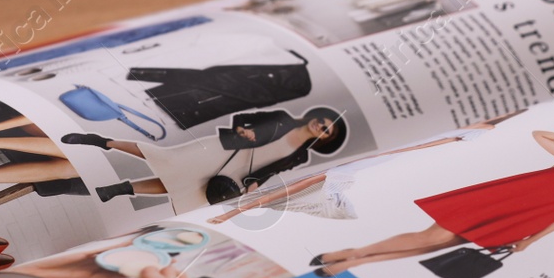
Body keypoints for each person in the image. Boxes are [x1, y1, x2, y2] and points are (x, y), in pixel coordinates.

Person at [313, 130, 554, 275]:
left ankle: (349, 264)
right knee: (430, 237)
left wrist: (530, 240)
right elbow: (541, 134)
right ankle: (350, 254)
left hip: (523, 221)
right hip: (494, 202)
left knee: (438, 246)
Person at [206, 112, 523, 224]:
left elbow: (433, 144)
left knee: (317, 179)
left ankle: (239, 207)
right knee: (316, 176)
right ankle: (246, 199)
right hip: (385, 143)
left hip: (391, 150)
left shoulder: (484, 129)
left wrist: (405, 149)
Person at [61, 107, 346, 208]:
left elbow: (269, 171)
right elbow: (245, 117)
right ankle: (101, 141)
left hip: (238, 172)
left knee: (184, 186)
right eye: (322, 120)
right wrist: (244, 130)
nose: (320, 125)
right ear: (315, 117)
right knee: (169, 160)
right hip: (224, 147)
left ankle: (120, 189)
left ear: (324, 139)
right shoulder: (283, 118)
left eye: (326, 130)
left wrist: (254, 185)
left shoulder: (299, 156)